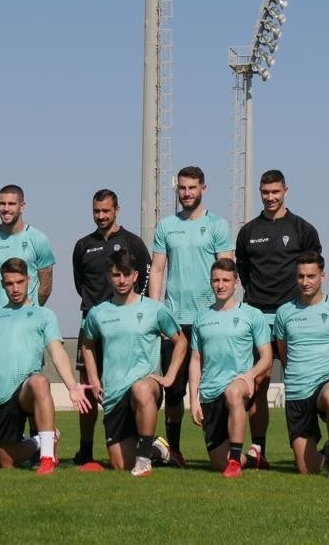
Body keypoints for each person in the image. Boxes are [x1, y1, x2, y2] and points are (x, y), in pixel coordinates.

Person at [0, 258, 90, 475]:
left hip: (26, 390)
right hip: (0, 397)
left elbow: (57, 352)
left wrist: (72, 386)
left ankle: (47, 458)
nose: (15, 288)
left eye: (20, 282)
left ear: (29, 280)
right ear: (2, 285)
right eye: (9, 283)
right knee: (6, 461)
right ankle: (45, 439)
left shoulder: (44, 315)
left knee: (40, 381)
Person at [234, 169, 321, 468]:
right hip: (258, 315)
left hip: (294, 317)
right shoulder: (248, 232)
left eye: (275, 192)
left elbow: (312, 269)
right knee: (258, 382)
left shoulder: (303, 229)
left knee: (301, 381)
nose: (270, 197)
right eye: (265, 192)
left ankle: (308, 440)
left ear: (285, 191)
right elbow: (243, 270)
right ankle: (258, 448)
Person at [148, 166, 233, 465]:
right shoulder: (166, 226)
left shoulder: (217, 225)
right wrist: (155, 312)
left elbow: (227, 271)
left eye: (192, 187)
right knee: (173, 390)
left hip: (208, 319)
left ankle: (222, 445)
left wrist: (224, 313)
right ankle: (173, 450)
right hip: (174, 321)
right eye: (182, 188)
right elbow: (157, 270)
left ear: (203, 189)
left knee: (215, 387)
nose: (187, 193)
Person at [80, 250, 187, 476]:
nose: (122, 280)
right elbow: (87, 346)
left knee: (141, 388)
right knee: (120, 465)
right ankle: (156, 447)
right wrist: (94, 379)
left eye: (126, 274)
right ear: (109, 277)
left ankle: (145, 460)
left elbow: (181, 342)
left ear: (136, 276)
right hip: (113, 394)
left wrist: (169, 376)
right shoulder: (98, 313)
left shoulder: (155, 309)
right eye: (116, 275)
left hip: (146, 387)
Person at [0, 184, 55, 465]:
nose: (6, 209)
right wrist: (2, 313)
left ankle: (41, 447)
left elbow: (45, 284)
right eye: (2, 204)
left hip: (27, 324)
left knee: (32, 382)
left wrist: (27, 314)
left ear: (23, 206)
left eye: (11, 204)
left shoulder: (38, 239)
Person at [69, 188, 151, 470]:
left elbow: (145, 279)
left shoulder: (132, 242)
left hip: (125, 327)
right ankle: (85, 450)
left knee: (131, 384)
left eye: (106, 210)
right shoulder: (83, 245)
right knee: (89, 387)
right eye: (97, 211)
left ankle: (143, 444)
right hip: (92, 323)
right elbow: (80, 283)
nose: (101, 216)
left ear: (117, 210)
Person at [188, 259, 273, 477]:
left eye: (226, 280)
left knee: (233, 392)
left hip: (239, 385)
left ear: (236, 283)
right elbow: (196, 360)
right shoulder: (201, 317)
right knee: (218, 462)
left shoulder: (252, 315)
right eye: (216, 280)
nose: (221, 285)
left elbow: (267, 357)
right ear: (210, 282)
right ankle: (252, 459)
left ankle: (235, 462)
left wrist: (250, 376)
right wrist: (194, 399)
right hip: (210, 393)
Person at [275, 252, 329, 477]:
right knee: (305, 469)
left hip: (325, 383)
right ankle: (326, 454)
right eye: (300, 276)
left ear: (322, 276)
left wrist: (325, 370)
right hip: (297, 391)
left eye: (310, 276)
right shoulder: (284, 312)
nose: (305, 281)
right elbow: (284, 355)